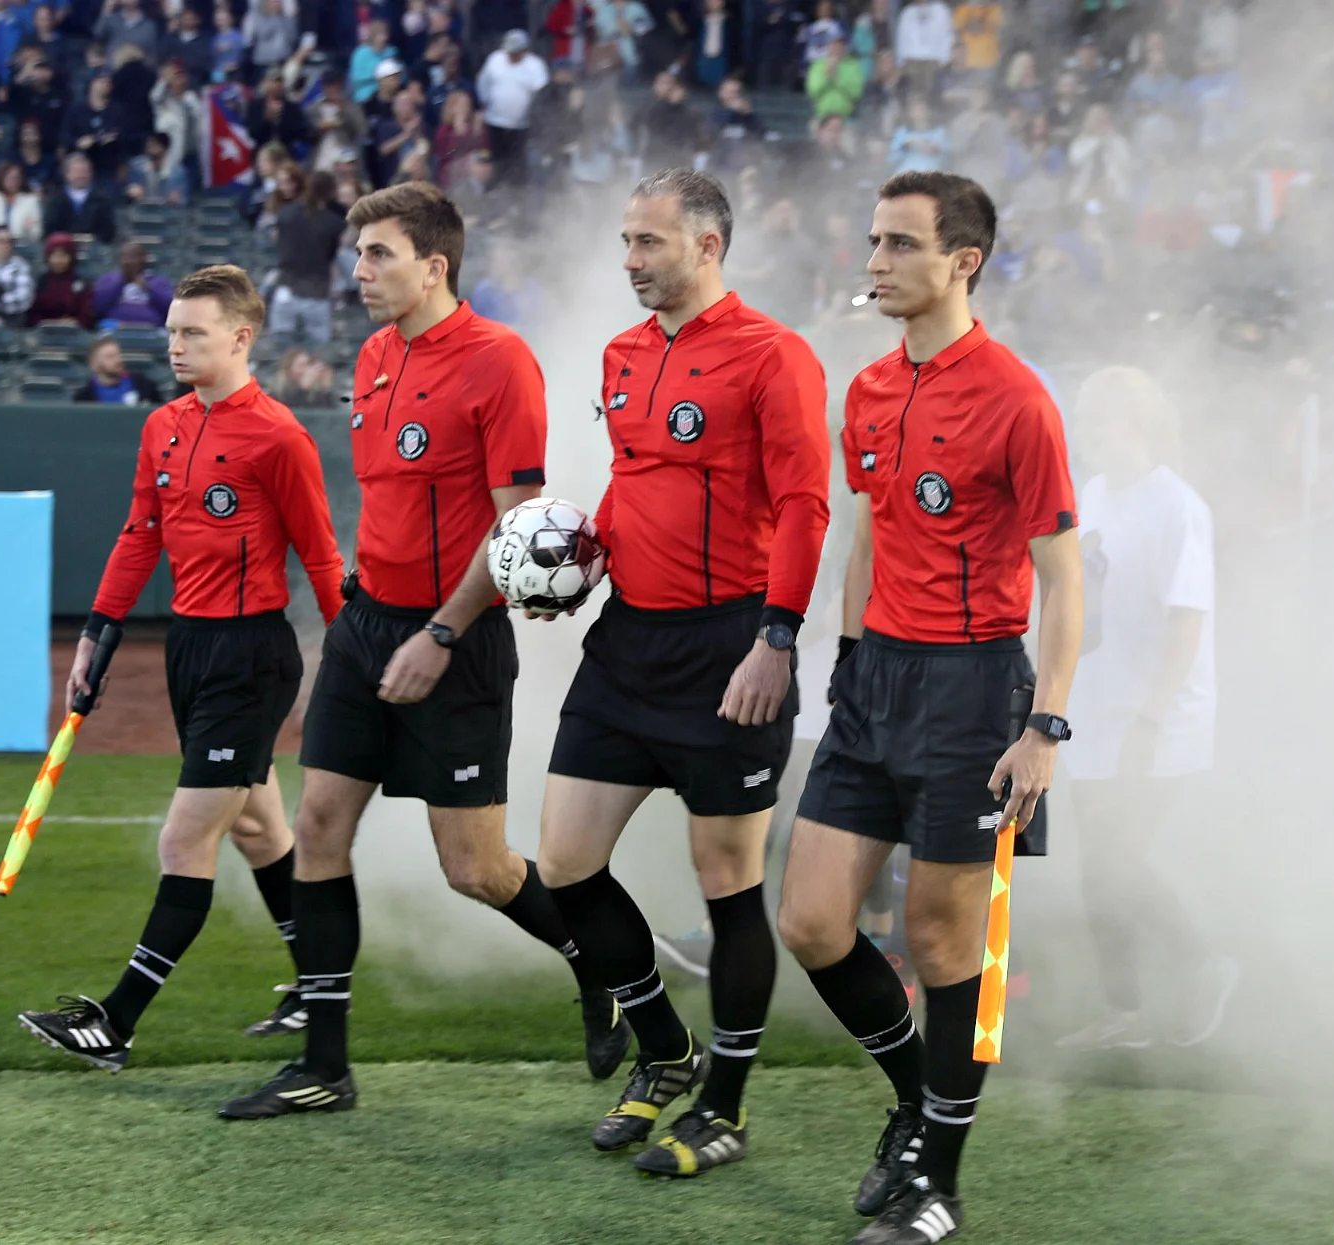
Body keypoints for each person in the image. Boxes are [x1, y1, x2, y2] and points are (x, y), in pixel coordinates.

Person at [218, 182, 629, 1122]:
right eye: (358, 255)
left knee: (474, 868)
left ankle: (595, 964)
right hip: (368, 628)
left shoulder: (500, 363)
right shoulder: (371, 356)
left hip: (459, 638)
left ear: (433, 265)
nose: (358, 272)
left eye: (378, 255)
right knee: (318, 824)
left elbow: (517, 529)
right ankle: (326, 1066)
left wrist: (442, 634)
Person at [776, 171, 1081, 1245]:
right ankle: (915, 1100)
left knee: (944, 942)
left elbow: (1064, 578)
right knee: (810, 922)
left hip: (973, 691)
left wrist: (1043, 726)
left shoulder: (1017, 398)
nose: (876, 263)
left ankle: (936, 1187)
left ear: (963, 261)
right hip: (874, 682)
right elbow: (868, 532)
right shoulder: (865, 390)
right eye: (872, 242)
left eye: (900, 245)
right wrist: (847, 657)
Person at [533, 168, 829, 1176]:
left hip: (732, 646)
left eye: (649, 243)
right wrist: (583, 556)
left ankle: (728, 1107)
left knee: (729, 884)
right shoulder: (621, 355)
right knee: (565, 861)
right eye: (626, 242)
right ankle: (664, 1046)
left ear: (708, 245)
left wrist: (776, 639)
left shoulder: (775, 355)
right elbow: (632, 485)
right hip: (628, 642)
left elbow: (803, 507)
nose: (630, 262)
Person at [17, 265, 346, 1073]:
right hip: (187, 650)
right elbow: (138, 536)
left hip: (250, 655)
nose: (174, 345)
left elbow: (322, 555)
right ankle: (314, 980)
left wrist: (355, 654)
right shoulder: (161, 423)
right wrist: (96, 634)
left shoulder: (279, 435)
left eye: (192, 333)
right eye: (170, 331)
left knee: (185, 834)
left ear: (241, 337)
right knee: (258, 825)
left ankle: (117, 1021)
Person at [1054, 366, 1231, 1053]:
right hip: (1094, 713)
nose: (1090, 435)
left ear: (1138, 425)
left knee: (1117, 858)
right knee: (1098, 865)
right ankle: (1121, 1013)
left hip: (1158, 720)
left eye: (1103, 420)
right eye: (1085, 420)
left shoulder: (1178, 505)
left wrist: (1150, 723)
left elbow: (1187, 625)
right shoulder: (1092, 495)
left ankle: (1204, 964)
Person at [271, 170, 345, 345]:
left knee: (283, 352)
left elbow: (279, 243)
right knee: (317, 353)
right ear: (330, 192)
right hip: (316, 294)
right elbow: (330, 255)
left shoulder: (286, 213)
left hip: (286, 290)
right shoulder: (333, 223)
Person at [475, 29, 547, 189]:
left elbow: (541, 93)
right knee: (495, 164)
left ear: (524, 50)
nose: (512, 56)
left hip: (521, 127)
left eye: (516, 52)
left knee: (519, 167)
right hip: (495, 123)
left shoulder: (535, 65)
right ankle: (493, 199)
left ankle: (517, 203)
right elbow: (483, 84)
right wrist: (485, 104)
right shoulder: (495, 60)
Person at [91, 241, 175, 328]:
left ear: (143, 259)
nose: (128, 261)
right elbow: (98, 308)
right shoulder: (108, 280)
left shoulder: (158, 281)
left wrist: (148, 288)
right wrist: (121, 283)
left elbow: (170, 309)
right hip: (114, 326)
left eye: (133, 256)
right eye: (125, 256)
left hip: (152, 328)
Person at [44, 151, 119, 242]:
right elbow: (50, 230)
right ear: (66, 174)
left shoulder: (103, 199)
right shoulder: (55, 200)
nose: (81, 175)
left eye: (84, 171)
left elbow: (108, 231)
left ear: (91, 173)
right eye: (77, 172)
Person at [72, 333, 164, 404]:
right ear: (94, 364)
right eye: (110, 357)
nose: (118, 360)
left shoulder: (144, 385)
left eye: (118, 355)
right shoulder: (83, 397)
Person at [27, 232, 94, 326]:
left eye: (63, 256)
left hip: (74, 334)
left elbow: (86, 315)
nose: (58, 260)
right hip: (43, 334)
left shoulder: (81, 283)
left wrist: (72, 322)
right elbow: (32, 315)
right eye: (54, 256)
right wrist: (53, 323)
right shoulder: (40, 282)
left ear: (71, 257)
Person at [0, 161, 45, 244]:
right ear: (2, 178)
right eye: (9, 178)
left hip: (20, 245)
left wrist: (28, 229)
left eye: (16, 178)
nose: (12, 181)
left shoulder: (31, 200)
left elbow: (37, 234)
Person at [894, 0, 953, 100]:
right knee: (914, 96)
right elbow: (901, 37)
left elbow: (948, 35)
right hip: (912, 60)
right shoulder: (908, 12)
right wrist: (900, 62)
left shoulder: (941, 10)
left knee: (932, 96)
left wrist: (944, 59)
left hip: (934, 59)